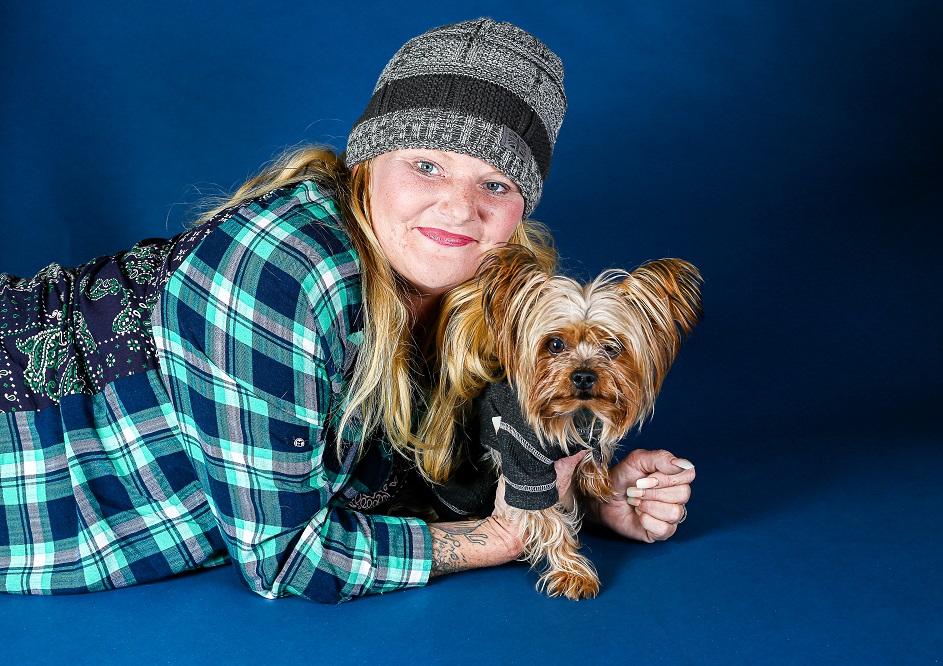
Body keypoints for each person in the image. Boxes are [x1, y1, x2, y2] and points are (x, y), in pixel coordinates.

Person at [0, 18, 695, 602]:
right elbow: (289, 560)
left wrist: (590, 499)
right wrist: (500, 539)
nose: (459, 206)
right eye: (427, 165)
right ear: (366, 162)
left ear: (522, 205)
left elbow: (448, 470)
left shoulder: (484, 285)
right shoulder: (279, 272)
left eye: (496, 181)